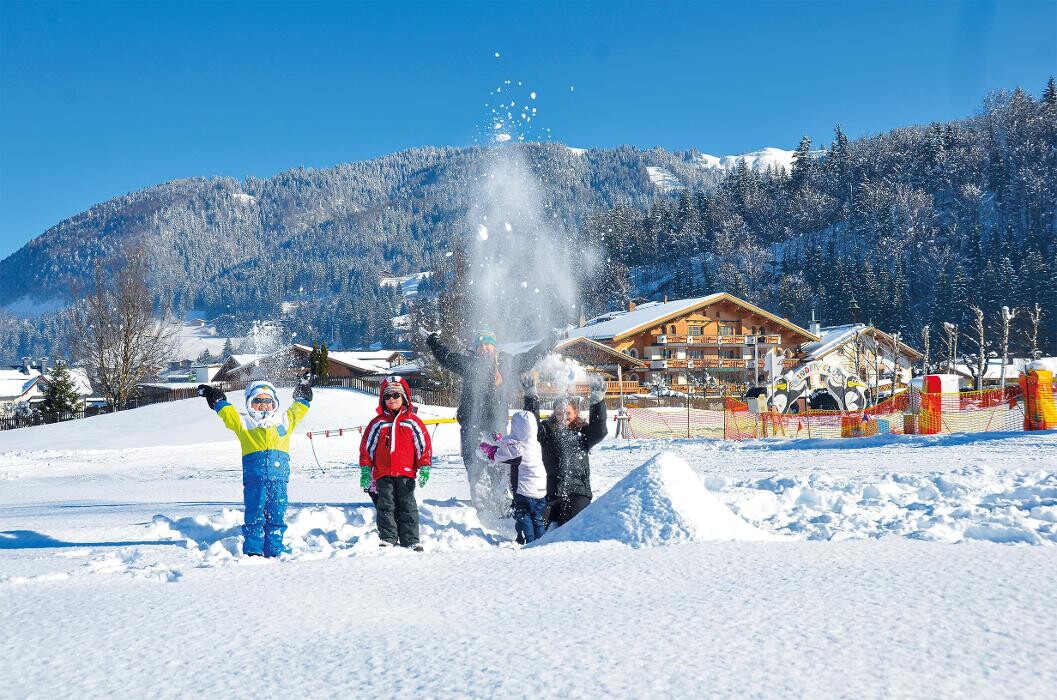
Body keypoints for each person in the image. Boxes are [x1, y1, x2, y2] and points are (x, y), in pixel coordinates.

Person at [424, 325, 559, 512]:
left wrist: (550, 340)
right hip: (472, 426)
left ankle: (501, 507)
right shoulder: (469, 364)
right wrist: (433, 341)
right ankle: (482, 510)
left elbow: (529, 357)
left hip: (497, 426)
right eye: (481, 344)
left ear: (495, 347)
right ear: (476, 348)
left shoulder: (505, 363)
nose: (485, 347)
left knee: (500, 466)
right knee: (476, 466)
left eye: (489, 344)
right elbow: (446, 358)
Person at [197, 376, 312, 557]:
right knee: (255, 514)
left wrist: (304, 396)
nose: (263, 405)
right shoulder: (245, 423)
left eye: (268, 401)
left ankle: (275, 548)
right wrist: (215, 398)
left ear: (274, 403)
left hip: (279, 480)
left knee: (277, 514)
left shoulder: (283, 422)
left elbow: (298, 410)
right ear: (250, 403)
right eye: (258, 401)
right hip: (254, 480)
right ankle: (253, 549)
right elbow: (229, 414)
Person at [358, 376, 432, 550]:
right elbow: (367, 448)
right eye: (387, 396)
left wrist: (425, 465)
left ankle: (411, 539)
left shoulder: (412, 422)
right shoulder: (378, 423)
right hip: (383, 473)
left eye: (396, 395)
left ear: (404, 397)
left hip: (406, 472)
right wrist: (366, 471)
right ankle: (388, 538)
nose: (392, 399)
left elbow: (423, 444)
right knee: (386, 505)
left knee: (407, 505)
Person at [524, 375, 608, 529]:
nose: (563, 418)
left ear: (575, 413)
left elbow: (600, 431)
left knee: (571, 528)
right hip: (550, 494)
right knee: (537, 527)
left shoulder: (583, 433)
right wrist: (531, 396)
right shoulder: (546, 430)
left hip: (577, 494)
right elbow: (530, 427)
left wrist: (597, 399)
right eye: (559, 413)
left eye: (568, 413)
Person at [480, 410, 547, 544]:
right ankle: (541, 541)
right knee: (536, 518)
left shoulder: (519, 450)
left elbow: (499, 454)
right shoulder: (534, 444)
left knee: (523, 515)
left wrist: (487, 448)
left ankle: (529, 542)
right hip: (540, 491)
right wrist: (501, 438)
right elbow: (514, 440)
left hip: (525, 492)